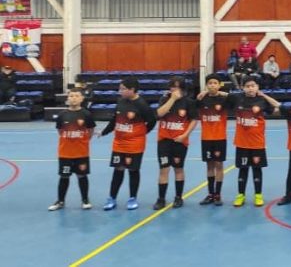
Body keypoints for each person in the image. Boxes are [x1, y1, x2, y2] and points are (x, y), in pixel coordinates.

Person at [100, 77, 157, 211]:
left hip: (135, 144)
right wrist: (105, 131)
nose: (120, 91)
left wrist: (141, 133)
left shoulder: (142, 104)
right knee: (118, 169)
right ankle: (112, 198)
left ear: (132, 90)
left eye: (123, 89)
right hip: (119, 143)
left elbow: (152, 121)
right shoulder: (120, 102)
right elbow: (115, 119)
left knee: (133, 170)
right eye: (120, 88)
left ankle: (132, 198)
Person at [232, 76, 280, 207]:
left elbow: (277, 105)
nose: (250, 88)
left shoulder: (262, 100)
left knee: (257, 169)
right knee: (243, 169)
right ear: (243, 87)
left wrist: (264, 95)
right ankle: (240, 195)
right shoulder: (238, 98)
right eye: (247, 86)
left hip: (257, 143)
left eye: (253, 85)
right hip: (242, 142)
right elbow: (223, 95)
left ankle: (258, 195)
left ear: (257, 87)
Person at [153, 77, 198, 210]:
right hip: (164, 140)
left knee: (178, 169)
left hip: (180, 141)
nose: (174, 89)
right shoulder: (164, 100)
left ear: (183, 89)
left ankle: (178, 197)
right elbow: (158, 114)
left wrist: (185, 135)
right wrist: (172, 99)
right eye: (172, 86)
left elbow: (194, 120)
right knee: (164, 169)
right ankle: (161, 199)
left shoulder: (188, 102)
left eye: (177, 87)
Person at [49, 89, 95, 211]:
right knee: (64, 177)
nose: (74, 98)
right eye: (71, 96)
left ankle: (85, 200)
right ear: (67, 99)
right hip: (65, 153)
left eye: (76, 96)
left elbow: (90, 131)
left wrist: (83, 140)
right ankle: (60, 201)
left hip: (81, 153)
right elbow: (60, 131)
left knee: (82, 176)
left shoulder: (86, 114)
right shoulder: (62, 115)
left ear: (81, 99)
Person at [196, 74, 234, 206]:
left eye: (215, 83)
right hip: (206, 138)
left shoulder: (223, 99)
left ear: (219, 85)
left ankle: (218, 194)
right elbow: (190, 104)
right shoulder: (201, 99)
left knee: (219, 165)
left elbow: (235, 98)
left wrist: (222, 93)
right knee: (209, 166)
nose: (212, 85)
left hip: (219, 138)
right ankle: (210, 194)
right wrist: (201, 95)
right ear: (206, 85)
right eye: (210, 83)